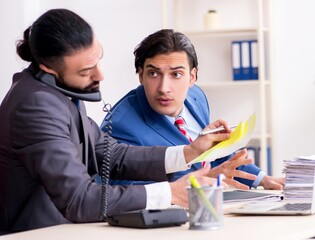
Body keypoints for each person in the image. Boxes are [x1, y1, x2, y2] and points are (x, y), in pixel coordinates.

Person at [0, 9, 242, 234]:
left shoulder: (60, 91)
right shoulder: (35, 105)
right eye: (86, 71)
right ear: (49, 69)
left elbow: (111, 154)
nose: (100, 75)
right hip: (37, 234)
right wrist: (170, 193)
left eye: (98, 61)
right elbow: (80, 199)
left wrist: (188, 152)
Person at [100, 29, 285, 190]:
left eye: (176, 74)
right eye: (153, 73)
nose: (164, 88)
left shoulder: (196, 97)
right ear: (141, 75)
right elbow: (125, 190)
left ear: (192, 77)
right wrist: (203, 180)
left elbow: (214, 154)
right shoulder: (120, 125)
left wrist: (263, 179)